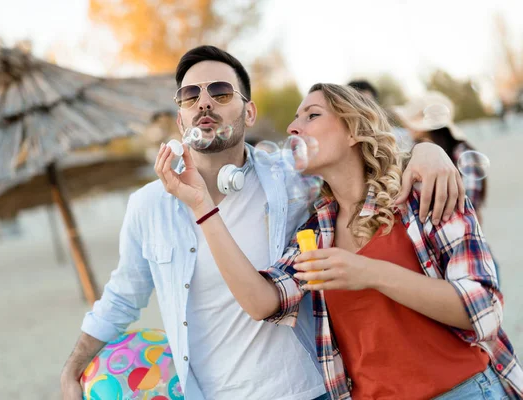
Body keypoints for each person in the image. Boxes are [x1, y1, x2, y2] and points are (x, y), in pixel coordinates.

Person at [61, 46, 467, 400]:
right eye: (190, 95)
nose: (204, 102)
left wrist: (427, 153)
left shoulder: (292, 177)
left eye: (220, 92)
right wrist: (71, 368)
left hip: (315, 388)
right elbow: (121, 297)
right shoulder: (148, 205)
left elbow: (362, 146)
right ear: (180, 117)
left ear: (249, 111)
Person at [156, 82, 523, 399]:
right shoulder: (316, 234)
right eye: (295, 118)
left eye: (311, 115)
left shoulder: (425, 193)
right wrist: (202, 206)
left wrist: (370, 272)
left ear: (354, 131)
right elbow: (261, 302)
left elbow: (483, 310)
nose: (292, 127)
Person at [393, 91, 487, 220]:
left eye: (411, 120)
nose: (406, 125)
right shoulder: (413, 153)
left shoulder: (464, 154)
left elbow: (469, 204)